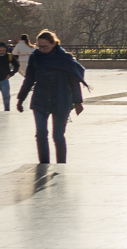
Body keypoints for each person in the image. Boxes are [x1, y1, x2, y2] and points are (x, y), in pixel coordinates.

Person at [16, 29, 85, 163]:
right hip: (40, 100)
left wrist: (78, 102)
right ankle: (44, 163)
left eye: (45, 47)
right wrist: (21, 99)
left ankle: (61, 164)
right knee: (41, 134)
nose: (41, 49)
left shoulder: (65, 59)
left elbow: (74, 82)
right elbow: (29, 80)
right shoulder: (35, 58)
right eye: (39, 46)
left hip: (61, 100)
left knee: (58, 136)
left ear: (54, 44)